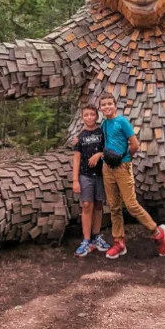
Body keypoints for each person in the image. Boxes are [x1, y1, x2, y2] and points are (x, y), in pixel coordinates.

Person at [98, 94, 165, 259]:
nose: (107, 107)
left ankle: (157, 232)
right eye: (103, 105)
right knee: (114, 206)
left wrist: (124, 160)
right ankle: (119, 242)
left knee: (131, 205)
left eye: (109, 104)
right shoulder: (104, 124)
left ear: (115, 106)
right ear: (101, 108)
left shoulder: (122, 121)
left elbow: (134, 144)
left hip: (122, 167)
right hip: (107, 168)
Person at [70, 104, 111, 257]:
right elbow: (76, 159)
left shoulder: (102, 133)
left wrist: (99, 154)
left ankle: (96, 236)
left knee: (99, 204)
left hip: (100, 174)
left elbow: (109, 148)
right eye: (86, 115)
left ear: (96, 116)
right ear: (82, 118)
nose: (89, 118)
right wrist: (75, 180)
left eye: (92, 115)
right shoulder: (80, 137)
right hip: (85, 175)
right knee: (87, 204)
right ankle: (86, 240)